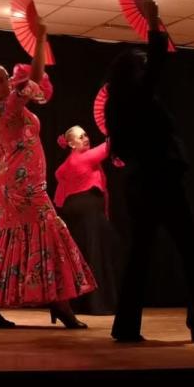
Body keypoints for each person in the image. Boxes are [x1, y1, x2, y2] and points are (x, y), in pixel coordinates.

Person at [104, 0, 194, 343]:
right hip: (160, 180)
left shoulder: (120, 104)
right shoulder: (138, 97)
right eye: (141, 66)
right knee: (190, 252)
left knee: (139, 257)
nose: (147, 70)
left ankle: (126, 327)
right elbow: (159, 60)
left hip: (140, 182)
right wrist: (153, 21)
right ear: (133, 73)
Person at [0, 21, 96, 329]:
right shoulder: (7, 105)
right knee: (46, 233)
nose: (6, 82)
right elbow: (34, 76)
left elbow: (0, 149)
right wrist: (40, 40)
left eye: (6, 77)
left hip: (18, 182)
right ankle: (60, 305)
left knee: (18, 239)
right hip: (22, 186)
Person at [54, 126, 119, 315]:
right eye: (80, 137)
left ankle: (79, 303)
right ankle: (98, 304)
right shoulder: (86, 157)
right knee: (95, 254)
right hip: (89, 209)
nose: (86, 138)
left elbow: (59, 183)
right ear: (72, 143)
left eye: (86, 134)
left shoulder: (66, 165)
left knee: (81, 255)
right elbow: (109, 145)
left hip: (75, 211)